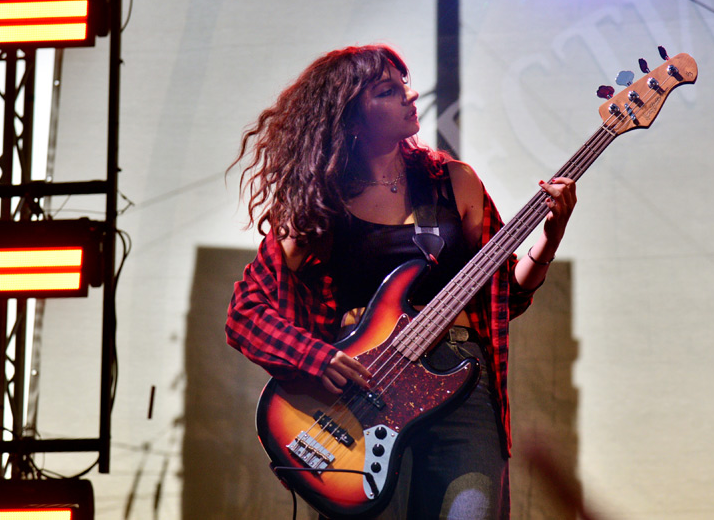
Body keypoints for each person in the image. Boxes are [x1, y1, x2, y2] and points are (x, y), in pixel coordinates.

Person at [225, 44, 576, 519]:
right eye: (387, 91)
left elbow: (506, 293)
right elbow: (246, 314)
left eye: (405, 84)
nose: (410, 95)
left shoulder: (453, 181)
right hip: (363, 394)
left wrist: (551, 235)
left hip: (460, 383)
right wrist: (316, 358)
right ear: (350, 116)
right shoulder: (320, 202)